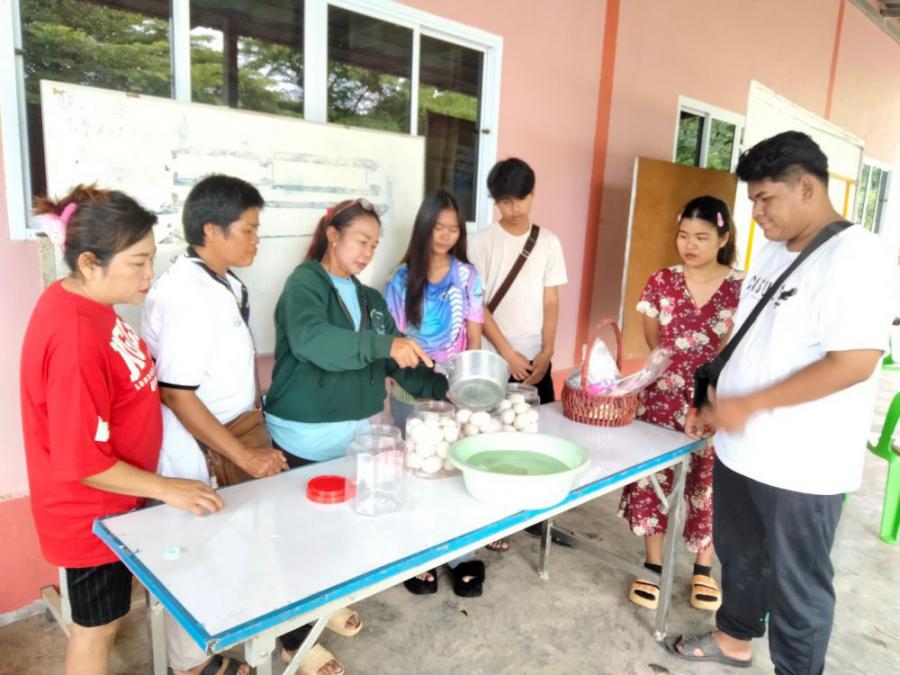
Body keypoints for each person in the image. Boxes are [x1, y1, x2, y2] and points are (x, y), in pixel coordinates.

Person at [668, 131, 895, 674]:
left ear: (807, 188)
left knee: (799, 585)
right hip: (742, 450)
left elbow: (854, 363)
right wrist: (714, 399)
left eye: (766, 199)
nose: (757, 214)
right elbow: (746, 337)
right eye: (753, 201)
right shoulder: (772, 249)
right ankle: (734, 638)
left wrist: (750, 404)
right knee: (740, 556)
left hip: (803, 465)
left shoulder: (858, 257)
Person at [20, 185, 227, 675]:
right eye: (138, 262)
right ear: (90, 263)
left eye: (151, 258)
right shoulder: (74, 338)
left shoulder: (86, 302)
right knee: (96, 632)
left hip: (117, 505)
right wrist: (168, 488)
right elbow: (82, 461)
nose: (150, 274)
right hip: (90, 518)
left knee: (109, 619)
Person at [264, 198, 448, 667]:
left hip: (353, 436)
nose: (368, 253)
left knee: (339, 533)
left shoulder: (370, 300)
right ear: (332, 235)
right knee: (302, 541)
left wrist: (448, 389)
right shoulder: (305, 284)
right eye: (361, 241)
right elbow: (313, 341)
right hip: (305, 437)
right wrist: (384, 344)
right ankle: (295, 639)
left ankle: (324, 607)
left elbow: (395, 362)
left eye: (374, 245)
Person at [142, 174, 289, 675]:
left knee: (231, 552)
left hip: (229, 434)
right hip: (198, 449)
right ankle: (188, 667)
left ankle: (217, 649)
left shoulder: (219, 282)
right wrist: (244, 454)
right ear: (211, 230)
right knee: (196, 561)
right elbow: (177, 393)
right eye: (248, 229)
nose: (256, 239)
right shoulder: (187, 294)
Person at [617, 196, 742, 612]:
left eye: (702, 237)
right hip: (662, 396)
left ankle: (703, 568)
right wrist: (674, 368)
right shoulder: (662, 281)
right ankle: (652, 564)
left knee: (708, 481)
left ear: (722, 238)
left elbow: (737, 349)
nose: (690, 244)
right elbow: (654, 338)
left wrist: (708, 390)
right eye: (684, 235)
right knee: (653, 477)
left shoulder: (741, 288)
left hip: (714, 400)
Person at [384, 189, 491, 597]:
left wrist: (470, 385)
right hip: (410, 391)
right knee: (417, 471)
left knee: (456, 471)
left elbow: (474, 335)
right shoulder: (400, 278)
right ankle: (419, 555)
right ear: (424, 228)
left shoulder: (468, 276)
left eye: (453, 229)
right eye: (438, 228)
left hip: (454, 392)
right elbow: (394, 338)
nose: (445, 236)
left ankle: (462, 554)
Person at [468, 157, 568, 546]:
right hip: (495, 359)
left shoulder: (549, 243)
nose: (513, 209)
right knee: (491, 437)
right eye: (505, 202)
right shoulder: (480, 243)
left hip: (536, 358)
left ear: (533, 194)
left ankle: (531, 511)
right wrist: (508, 353)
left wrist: (548, 350)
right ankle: (493, 521)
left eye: (519, 200)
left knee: (534, 435)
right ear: (495, 201)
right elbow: (478, 306)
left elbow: (551, 300)